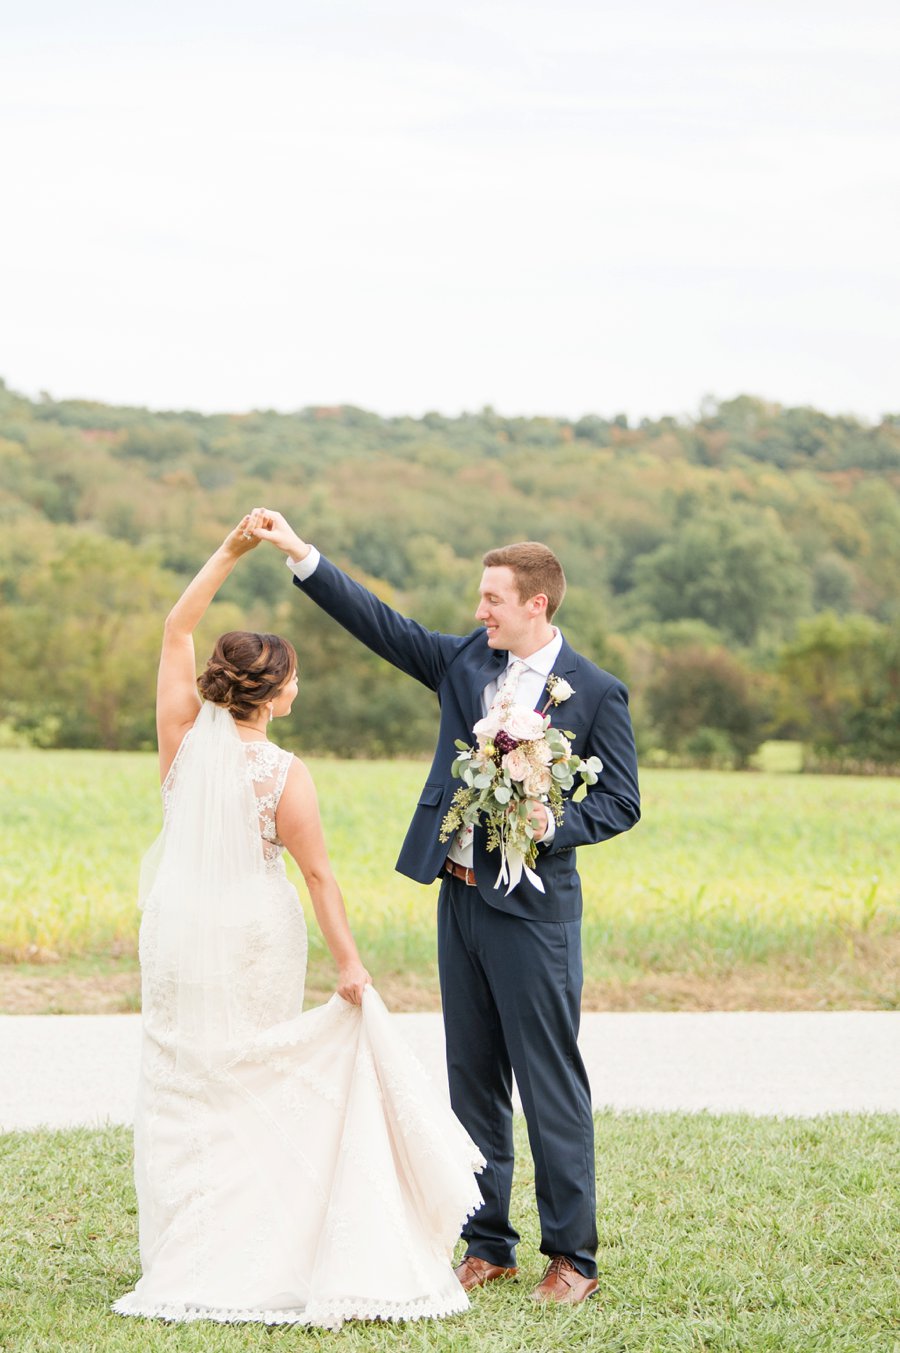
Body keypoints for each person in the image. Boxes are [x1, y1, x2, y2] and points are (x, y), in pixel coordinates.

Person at [251, 510, 641, 1306]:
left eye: (492, 599)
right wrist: (301, 555)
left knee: (549, 1082)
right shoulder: (465, 661)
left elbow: (624, 801)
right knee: (471, 1079)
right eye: (479, 598)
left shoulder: (596, 692)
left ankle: (574, 1257)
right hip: (457, 900)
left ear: (536, 603)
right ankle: (487, 1241)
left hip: (534, 913)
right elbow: (379, 624)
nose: (479, 612)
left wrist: (554, 823)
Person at [113, 513, 484, 1331]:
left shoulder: (179, 738)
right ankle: (244, 1234)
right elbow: (318, 877)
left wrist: (228, 551)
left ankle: (183, 1240)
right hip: (252, 933)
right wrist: (349, 964)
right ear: (274, 693)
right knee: (252, 1072)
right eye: (295, 679)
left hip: (175, 929)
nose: (299, 688)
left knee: (182, 1074)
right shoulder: (284, 773)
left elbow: (178, 625)